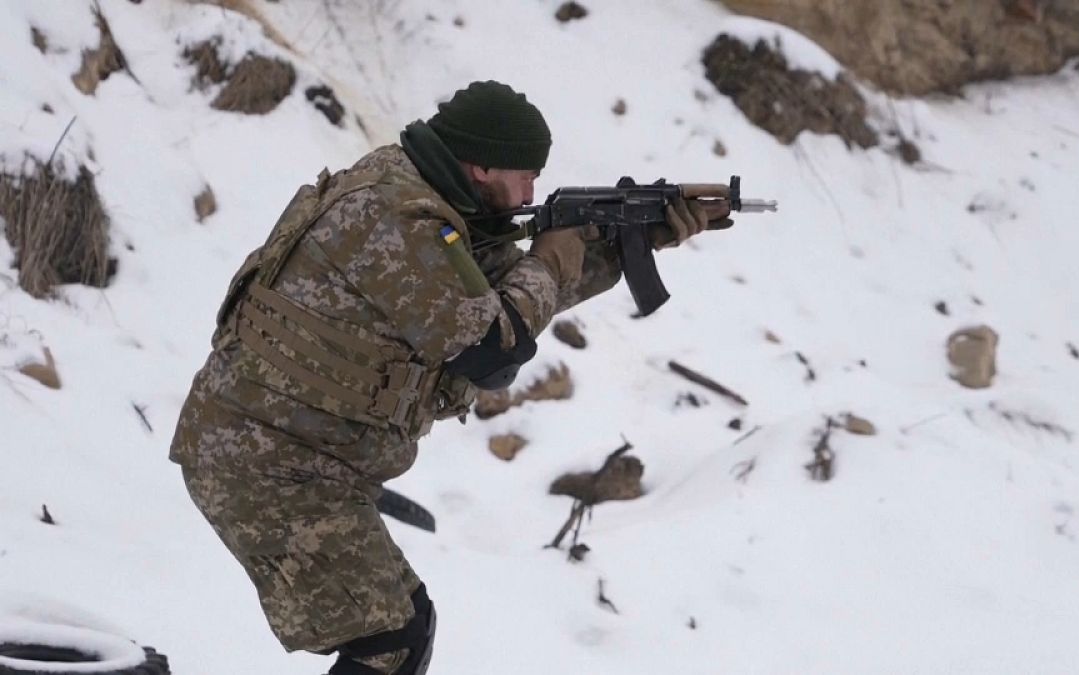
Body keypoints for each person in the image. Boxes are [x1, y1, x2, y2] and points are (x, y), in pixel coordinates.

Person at [169, 80, 730, 675]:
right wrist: (548, 259)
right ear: (481, 165)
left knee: (400, 630)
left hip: (289, 451)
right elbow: (489, 349)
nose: (531, 193)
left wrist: (632, 239)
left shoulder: (425, 193)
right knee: (389, 643)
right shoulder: (397, 216)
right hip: (265, 461)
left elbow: (500, 294)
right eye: (525, 176)